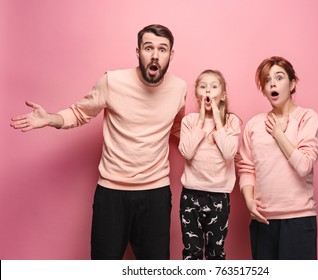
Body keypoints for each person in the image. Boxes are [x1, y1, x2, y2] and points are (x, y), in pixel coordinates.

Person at [10, 24, 187, 260]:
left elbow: (176, 126)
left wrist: (210, 140)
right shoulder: (111, 81)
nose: (155, 55)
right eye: (148, 48)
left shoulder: (179, 88)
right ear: (138, 52)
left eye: (162, 49)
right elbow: (81, 112)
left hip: (155, 193)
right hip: (112, 193)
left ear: (171, 55)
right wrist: (50, 118)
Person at [237, 56, 318, 260]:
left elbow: (304, 166)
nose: (272, 83)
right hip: (263, 222)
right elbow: (246, 169)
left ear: (292, 84)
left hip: (298, 221)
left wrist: (278, 134)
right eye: (267, 80)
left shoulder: (308, 118)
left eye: (279, 77)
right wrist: (249, 201)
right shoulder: (254, 125)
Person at [178, 69, 240, 259]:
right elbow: (187, 152)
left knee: (216, 252)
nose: (208, 91)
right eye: (203, 86)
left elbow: (230, 153)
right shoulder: (189, 121)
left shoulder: (231, 122)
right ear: (197, 93)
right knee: (192, 252)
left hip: (219, 197)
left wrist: (218, 122)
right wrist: (202, 120)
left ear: (222, 95)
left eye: (214, 87)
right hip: (191, 195)